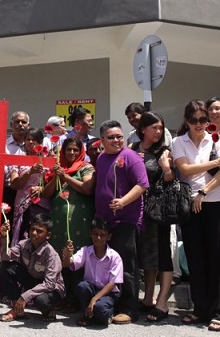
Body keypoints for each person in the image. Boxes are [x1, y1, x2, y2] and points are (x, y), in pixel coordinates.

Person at [172, 100, 220, 332]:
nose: (199, 124)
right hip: (189, 205)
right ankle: (199, 309)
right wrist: (217, 162)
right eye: (194, 120)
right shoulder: (179, 141)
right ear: (186, 121)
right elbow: (185, 169)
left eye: (203, 120)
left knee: (217, 259)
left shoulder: (217, 140)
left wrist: (203, 192)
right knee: (195, 257)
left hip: (214, 203)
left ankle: (219, 311)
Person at [93, 120, 149, 324]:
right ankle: (110, 304)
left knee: (126, 266)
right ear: (102, 140)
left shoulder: (130, 156)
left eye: (119, 136)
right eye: (111, 137)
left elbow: (142, 185)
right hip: (105, 222)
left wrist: (123, 202)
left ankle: (130, 308)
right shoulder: (101, 158)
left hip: (126, 219)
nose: (116, 140)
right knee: (109, 265)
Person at [129, 111, 174, 322]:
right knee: (141, 254)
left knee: (157, 254)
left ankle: (155, 300)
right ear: (143, 129)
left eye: (160, 128)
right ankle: (142, 298)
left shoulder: (164, 152)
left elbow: (170, 179)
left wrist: (166, 169)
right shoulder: (131, 149)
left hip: (156, 210)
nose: (158, 131)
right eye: (154, 127)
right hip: (134, 209)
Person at [43, 135, 94, 308]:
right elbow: (48, 193)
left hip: (79, 222)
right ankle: (61, 297)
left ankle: (77, 298)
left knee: (76, 257)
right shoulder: (58, 168)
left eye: (75, 150)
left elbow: (87, 189)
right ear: (63, 152)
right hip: (58, 223)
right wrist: (57, 176)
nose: (72, 152)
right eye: (68, 150)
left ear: (81, 152)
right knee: (60, 257)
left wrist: (66, 177)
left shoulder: (86, 168)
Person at [0, 213, 65, 322]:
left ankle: (49, 310)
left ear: (48, 235)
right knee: (5, 266)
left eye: (39, 231)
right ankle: (17, 309)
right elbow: (5, 256)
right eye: (32, 229)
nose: (34, 233)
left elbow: (49, 284)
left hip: (51, 289)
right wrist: (4, 236)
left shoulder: (51, 255)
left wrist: (25, 296)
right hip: (33, 281)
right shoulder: (23, 244)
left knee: (41, 300)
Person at [61, 218, 123, 327]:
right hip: (91, 289)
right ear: (90, 234)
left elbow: (113, 283)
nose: (98, 238)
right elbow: (68, 264)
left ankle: (108, 312)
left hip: (108, 293)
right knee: (82, 286)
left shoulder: (115, 257)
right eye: (95, 234)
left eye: (102, 235)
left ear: (109, 236)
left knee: (101, 309)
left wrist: (94, 299)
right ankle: (88, 314)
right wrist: (67, 254)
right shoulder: (86, 251)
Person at [9, 128, 48, 247]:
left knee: (40, 233)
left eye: (34, 140)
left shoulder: (48, 159)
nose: (31, 142)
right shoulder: (18, 159)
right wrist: (29, 172)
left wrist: (42, 189)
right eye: (28, 139)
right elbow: (15, 184)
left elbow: (54, 183)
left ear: (40, 142)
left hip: (42, 204)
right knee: (22, 234)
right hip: (22, 204)